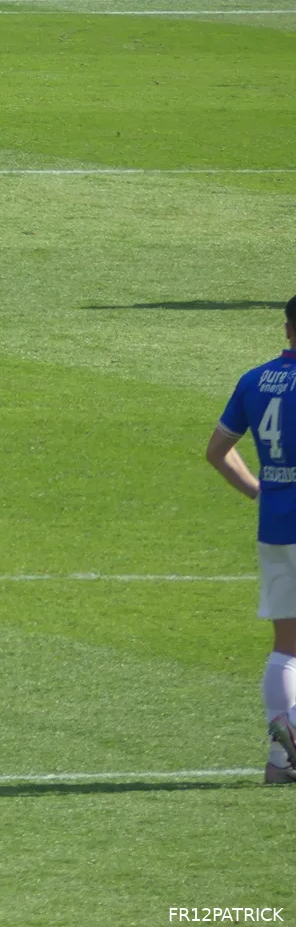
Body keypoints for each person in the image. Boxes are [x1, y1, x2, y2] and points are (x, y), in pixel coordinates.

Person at [207, 295, 296, 785]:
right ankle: (290, 733)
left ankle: (280, 763)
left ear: (287, 330)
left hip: (277, 522)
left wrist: (261, 492)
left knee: (287, 646)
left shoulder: (255, 379)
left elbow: (218, 451)